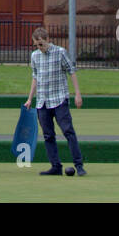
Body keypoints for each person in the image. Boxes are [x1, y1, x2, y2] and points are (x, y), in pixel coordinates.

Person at [23, 27, 86, 176]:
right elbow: (35, 77)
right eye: (36, 45)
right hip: (42, 102)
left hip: (59, 99)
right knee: (48, 135)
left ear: (48, 40)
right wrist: (30, 98)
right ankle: (55, 166)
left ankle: (79, 165)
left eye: (41, 44)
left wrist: (77, 94)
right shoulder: (35, 56)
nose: (39, 48)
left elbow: (72, 72)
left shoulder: (60, 52)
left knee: (68, 132)